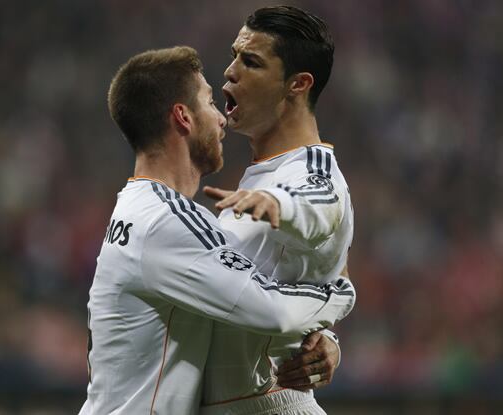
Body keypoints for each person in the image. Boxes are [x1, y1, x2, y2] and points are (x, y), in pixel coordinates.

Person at [79, 46, 355, 414]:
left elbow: (236, 314)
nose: (222, 119)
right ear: (183, 117)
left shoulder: (141, 210)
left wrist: (326, 341)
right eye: (209, 102)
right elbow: (272, 310)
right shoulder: (168, 222)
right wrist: (338, 295)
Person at [199, 5, 354, 415]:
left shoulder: (312, 172)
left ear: (297, 84)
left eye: (250, 62)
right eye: (234, 55)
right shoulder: (260, 177)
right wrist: (327, 337)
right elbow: (333, 273)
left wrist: (280, 204)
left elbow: (318, 204)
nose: (230, 71)